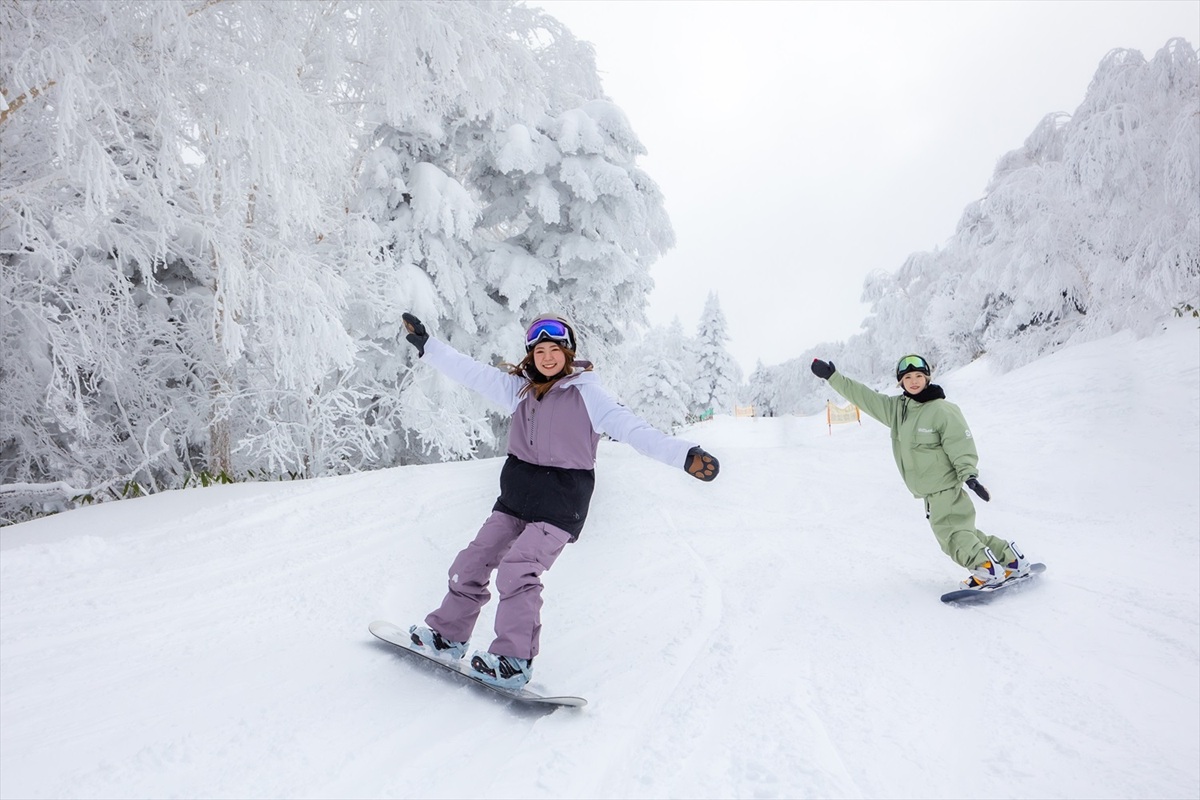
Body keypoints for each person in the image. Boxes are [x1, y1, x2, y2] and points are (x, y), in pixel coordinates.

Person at [399, 311, 720, 689]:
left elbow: (634, 430)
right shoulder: (517, 390)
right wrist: (429, 347)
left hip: (561, 503)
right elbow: (471, 372)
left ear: (568, 353)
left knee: (518, 569)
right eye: (539, 350)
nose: (547, 357)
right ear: (530, 355)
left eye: (555, 349)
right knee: (472, 560)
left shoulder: (589, 396)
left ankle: (513, 660)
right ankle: (448, 635)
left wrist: (683, 455)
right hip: (516, 496)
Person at [810, 354, 1031, 589]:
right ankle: (1010, 559)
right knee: (965, 531)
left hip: (943, 488)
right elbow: (865, 397)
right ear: (901, 382)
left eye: (919, 376)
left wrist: (970, 476)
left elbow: (959, 443)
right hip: (932, 492)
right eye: (907, 377)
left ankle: (985, 569)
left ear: (927, 378)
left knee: (951, 536)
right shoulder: (897, 410)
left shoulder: (942, 410)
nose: (914, 381)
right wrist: (833, 377)